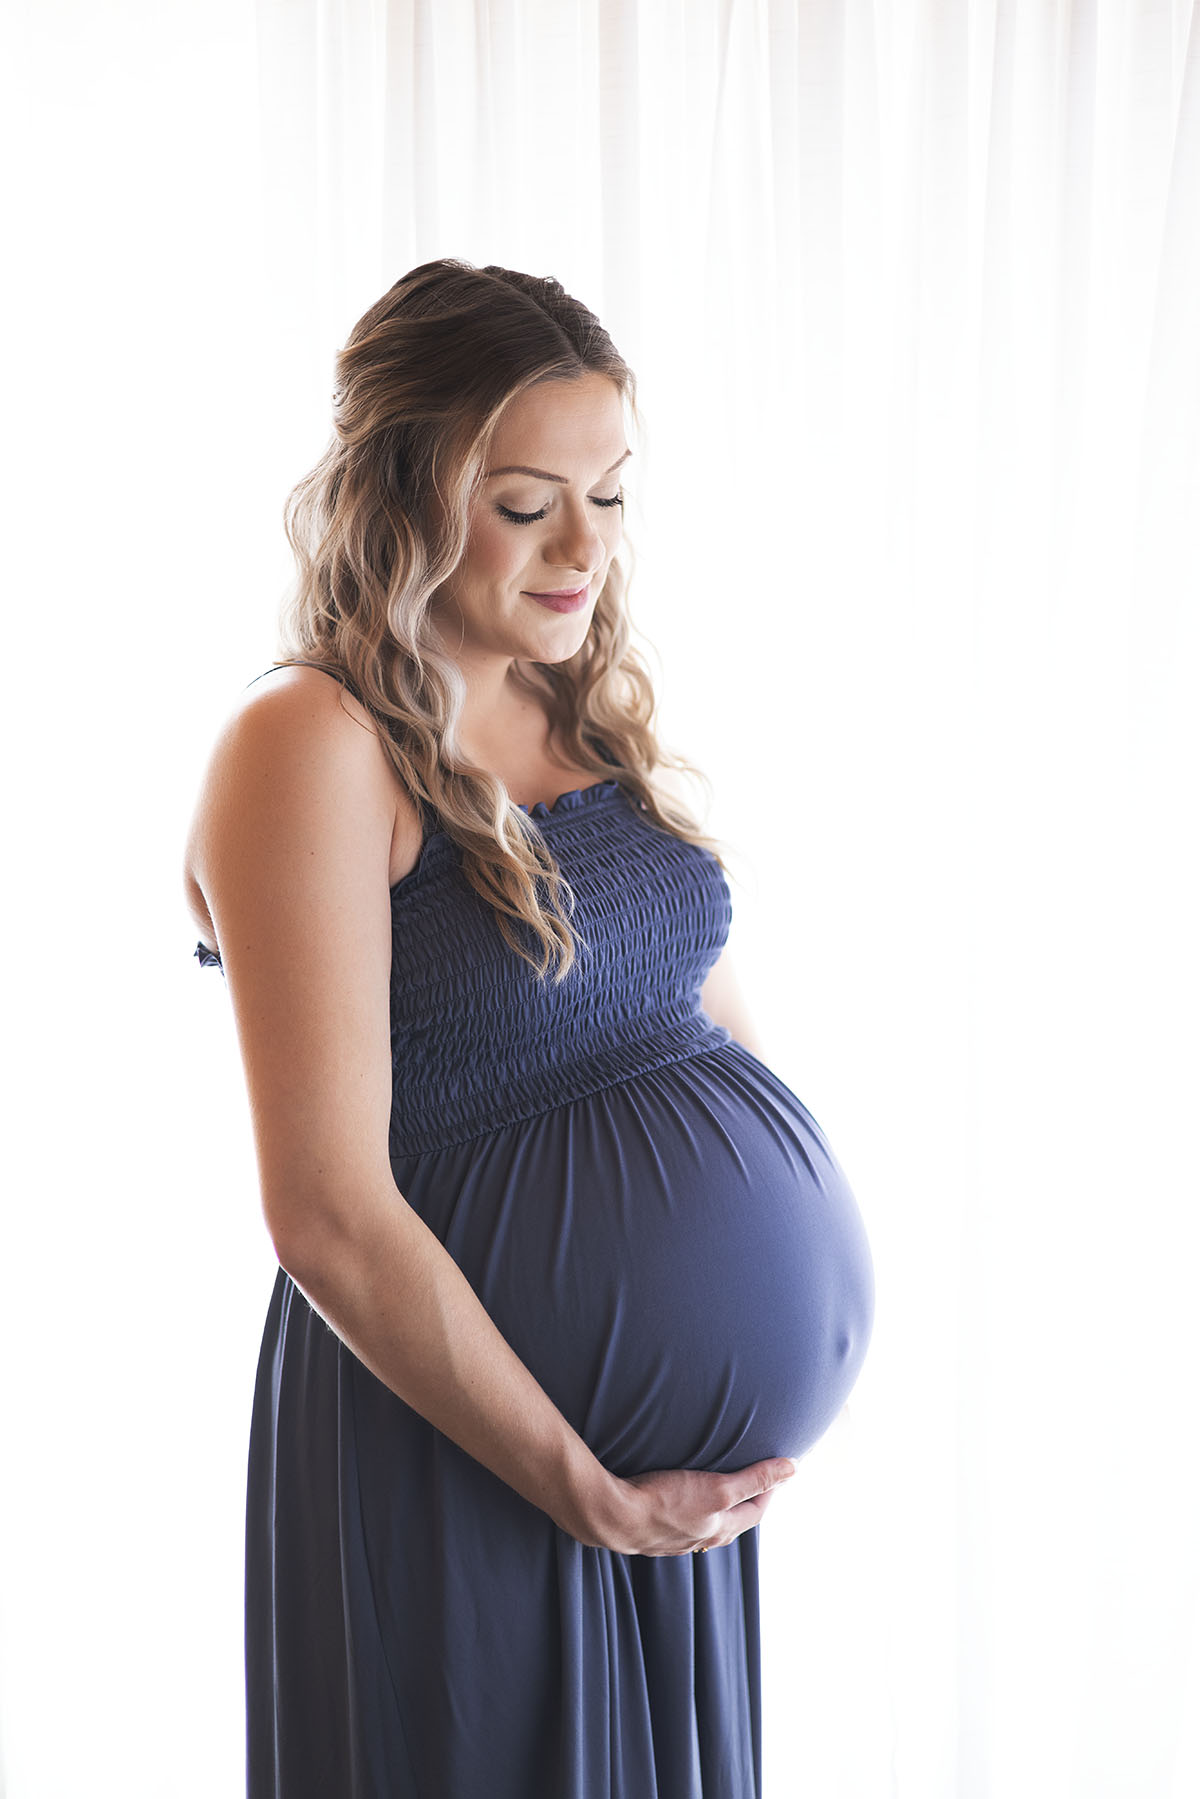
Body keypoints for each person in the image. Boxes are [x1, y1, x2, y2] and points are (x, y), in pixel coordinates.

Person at [184, 257, 874, 1799]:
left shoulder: (578, 705)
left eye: (611, 496)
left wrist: (767, 1307)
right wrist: (578, 1485)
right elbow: (325, 1211)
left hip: (649, 1495)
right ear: (405, 491)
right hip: (475, 1460)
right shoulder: (312, 744)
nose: (584, 548)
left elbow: (699, 1037)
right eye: (525, 503)